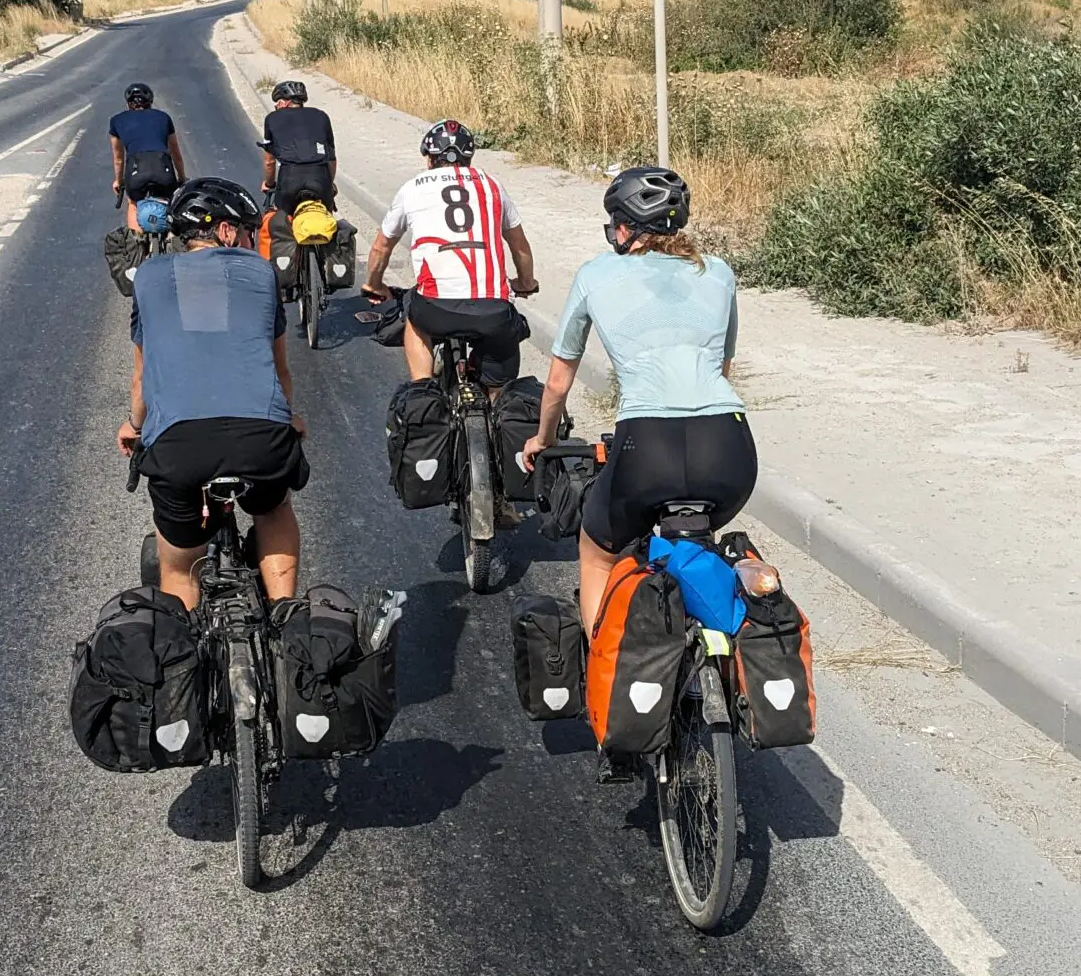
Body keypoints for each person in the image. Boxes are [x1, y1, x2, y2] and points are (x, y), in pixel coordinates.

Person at [521, 166, 754, 635]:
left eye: (614, 223)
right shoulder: (720, 273)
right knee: (702, 540)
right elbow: (722, 368)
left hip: (646, 446)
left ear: (626, 228)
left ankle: (602, 679)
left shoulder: (594, 275)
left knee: (597, 551)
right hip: (728, 447)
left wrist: (541, 440)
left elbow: (558, 384)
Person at [119, 177, 307, 609]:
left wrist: (133, 426)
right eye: (245, 231)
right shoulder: (260, 272)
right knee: (273, 508)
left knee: (180, 566)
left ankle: (184, 650)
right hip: (262, 439)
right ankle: (285, 614)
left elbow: (142, 378)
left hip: (180, 448)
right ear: (225, 231)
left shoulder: (149, 276)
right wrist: (290, 417)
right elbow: (278, 369)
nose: (248, 241)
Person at [362, 120, 539, 388]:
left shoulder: (413, 187)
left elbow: (381, 247)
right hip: (493, 310)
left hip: (436, 309)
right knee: (499, 372)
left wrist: (374, 284)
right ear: (469, 158)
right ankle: (495, 402)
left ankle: (423, 393)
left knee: (413, 314)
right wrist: (526, 283)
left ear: (430, 159)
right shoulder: (492, 185)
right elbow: (520, 246)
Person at [109, 83, 184, 234]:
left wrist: (119, 181)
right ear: (150, 101)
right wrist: (181, 177)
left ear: (128, 103)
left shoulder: (117, 121)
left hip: (136, 170)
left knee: (134, 203)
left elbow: (119, 159)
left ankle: (137, 243)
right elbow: (175, 153)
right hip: (163, 169)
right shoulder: (163, 117)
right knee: (169, 202)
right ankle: (170, 239)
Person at [259, 80, 337, 211]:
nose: (276, 108)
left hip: (289, 178)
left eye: (277, 104)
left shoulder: (272, 118)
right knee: (327, 218)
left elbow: (269, 162)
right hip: (319, 177)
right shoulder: (321, 116)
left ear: (285, 102)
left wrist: (269, 184)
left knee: (279, 222)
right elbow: (331, 160)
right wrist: (329, 184)